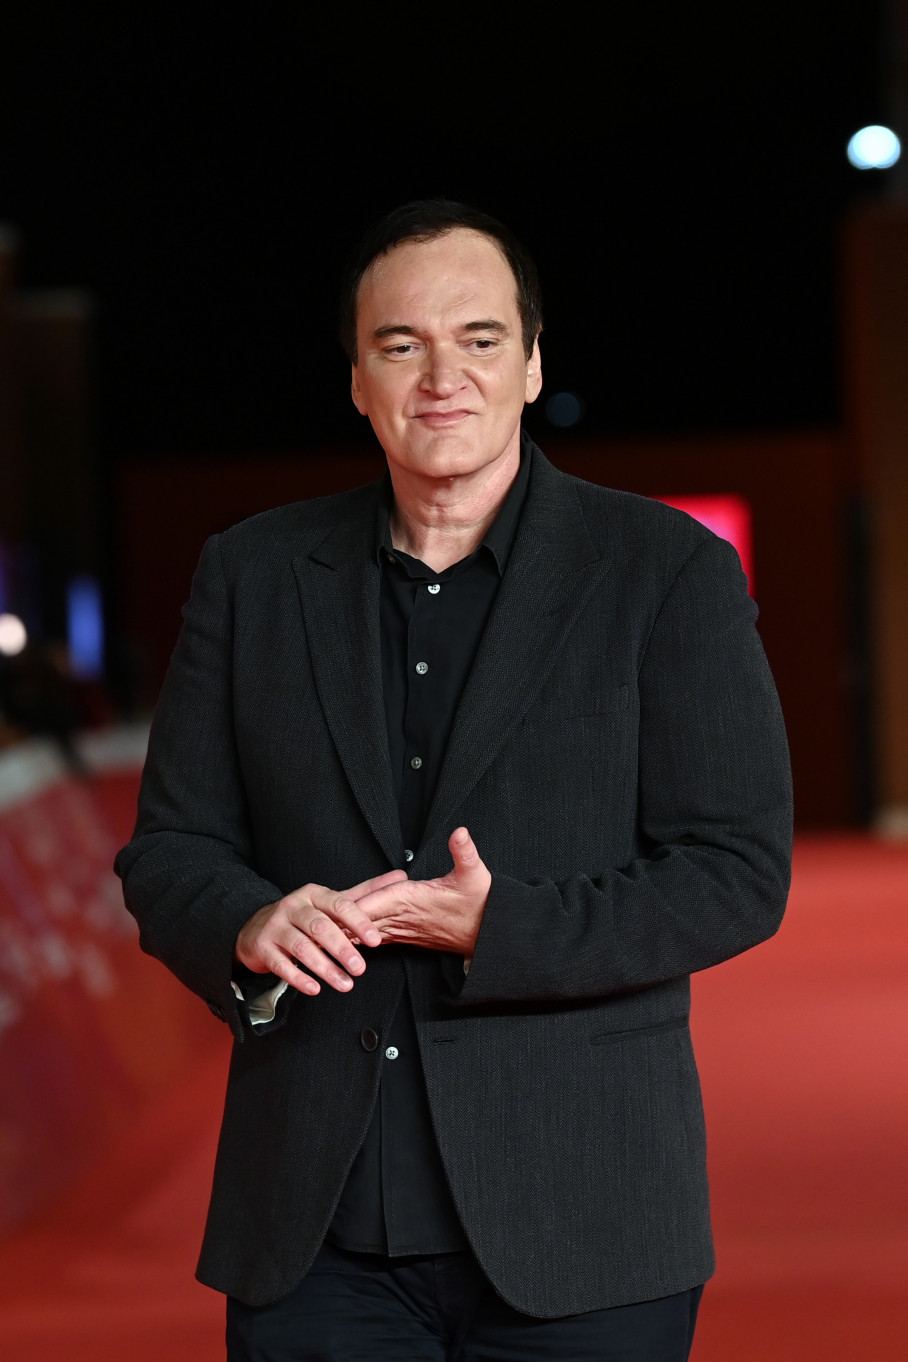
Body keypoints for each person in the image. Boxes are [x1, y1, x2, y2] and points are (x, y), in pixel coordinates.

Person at [115, 199, 793, 1361]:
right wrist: (247, 922)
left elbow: (735, 871)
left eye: (478, 339)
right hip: (313, 1236)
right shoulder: (253, 575)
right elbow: (170, 851)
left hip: (583, 1228)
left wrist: (501, 928)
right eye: (400, 345)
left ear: (530, 366)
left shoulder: (665, 572)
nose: (442, 378)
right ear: (357, 381)